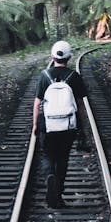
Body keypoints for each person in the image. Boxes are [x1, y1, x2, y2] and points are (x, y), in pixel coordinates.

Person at [32, 40, 88, 208]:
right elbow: (80, 105)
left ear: (52, 57)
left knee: (48, 155)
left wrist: (35, 125)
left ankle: (49, 175)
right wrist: (82, 127)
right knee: (63, 159)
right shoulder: (74, 77)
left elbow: (36, 103)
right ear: (69, 58)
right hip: (67, 126)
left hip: (48, 126)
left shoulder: (44, 76)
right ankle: (59, 194)